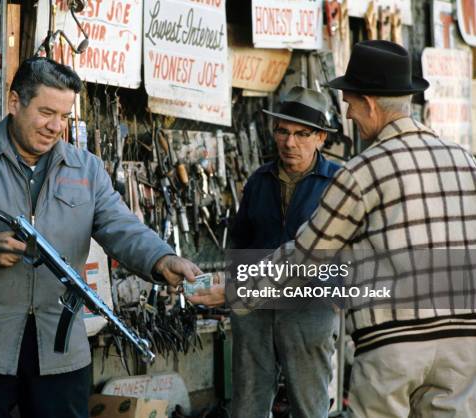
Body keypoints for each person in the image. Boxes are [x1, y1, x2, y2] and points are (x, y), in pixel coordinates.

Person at [0, 57, 201, 418]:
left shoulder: (86, 168)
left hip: (60, 351)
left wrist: (161, 259)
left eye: (64, 116)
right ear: (14, 103)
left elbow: (121, 226)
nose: (55, 126)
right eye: (47, 112)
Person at [194, 40, 476, 417]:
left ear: (370, 104)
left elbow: (306, 254)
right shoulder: (465, 161)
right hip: (464, 342)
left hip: (394, 343)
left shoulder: (362, 172)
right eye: (283, 132)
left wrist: (232, 287)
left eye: (350, 105)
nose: (350, 115)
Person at [228, 86, 341, 418]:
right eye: (283, 131)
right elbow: (241, 241)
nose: (290, 143)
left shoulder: (338, 182)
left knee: (309, 405)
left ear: (321, 137)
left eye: (302, 134)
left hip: (311, 306)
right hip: (255, 307)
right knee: (248, 401)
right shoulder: (259, 180)